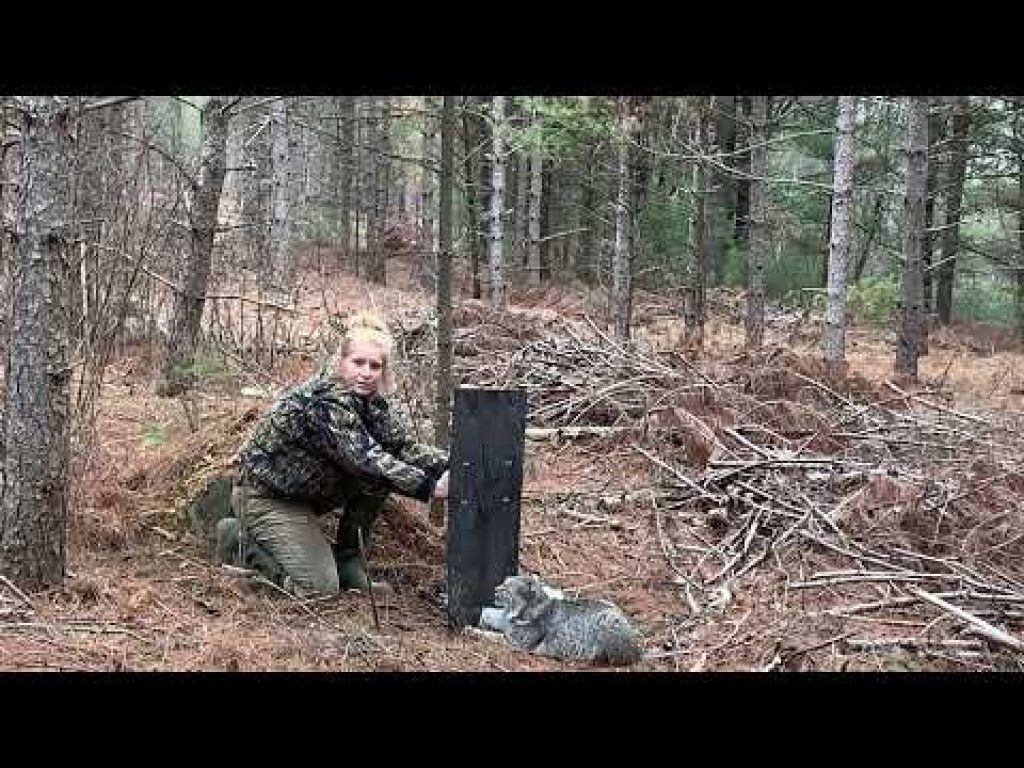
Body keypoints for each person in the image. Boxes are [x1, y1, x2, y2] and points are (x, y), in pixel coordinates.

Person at [216, 310, 450, 597]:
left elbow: (401, 447)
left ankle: (348, 562)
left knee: (380, 478)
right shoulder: (326, 401)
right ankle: (237, 540)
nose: (366, 372)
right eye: (358, 362)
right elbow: (365, 459)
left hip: (306, 493)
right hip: (267, 496)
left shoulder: (371, 402)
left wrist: (455, 463)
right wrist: (430, 486)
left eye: (375, 366)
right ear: (341, 362)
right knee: (319, 588)